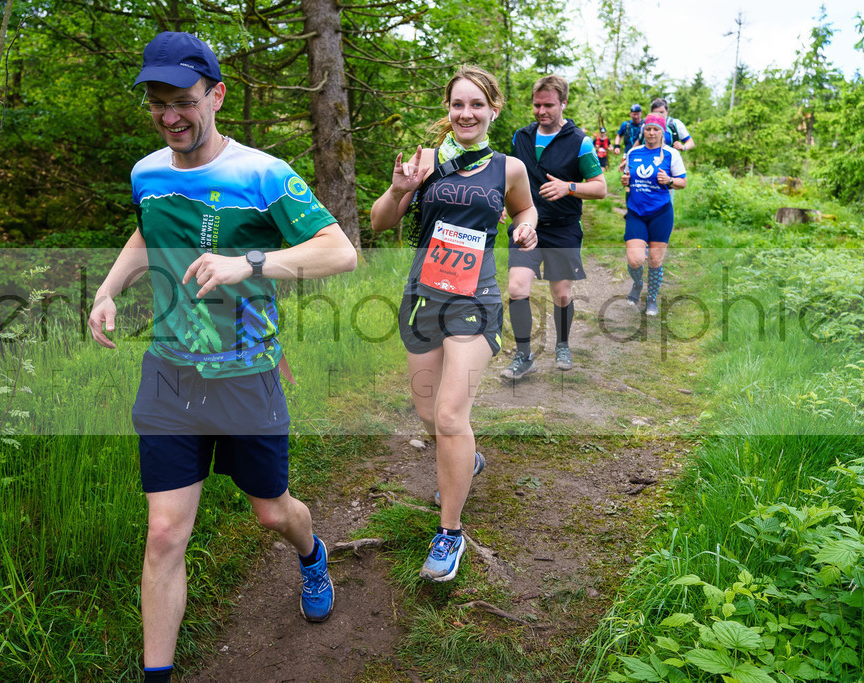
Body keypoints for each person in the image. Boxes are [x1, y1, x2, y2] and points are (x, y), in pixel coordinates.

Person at [87, 32, 357, 683]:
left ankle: (312, 551)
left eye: (182, 100)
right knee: (163, 533)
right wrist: (107, 289)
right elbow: (149, 229)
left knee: (272, 511)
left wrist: (250, 262)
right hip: (171, 372)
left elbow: (339, 250)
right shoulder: (147, 172)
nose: (170, 116)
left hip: (247, 373)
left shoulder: (263, 174)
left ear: (217, 94)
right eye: (157, 103)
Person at [370, 65, 537, 582]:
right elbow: (379, 222)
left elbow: (524, 211)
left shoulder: (508, 167)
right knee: (428, 414)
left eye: (476, 105)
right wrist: (399, 190)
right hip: (423, 296)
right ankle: (468, 460)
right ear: (448, 110)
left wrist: (526, 229)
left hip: (477, 299)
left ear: (493, 110)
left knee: (447, 416)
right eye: (457, 104)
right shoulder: (425, 162)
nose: (466, 114)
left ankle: (449, 535)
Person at [501, 75, 607, 379]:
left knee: (561, 294)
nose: (541, 111)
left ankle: (562, 344)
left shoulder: (580, 142)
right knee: (517, 288)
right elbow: (509, 178)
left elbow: (600, 188)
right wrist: (497, 201)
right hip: (526, 225)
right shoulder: (520, 137)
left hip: (563, 228)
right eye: (536, 105)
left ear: (563, 103)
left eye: (548, 105)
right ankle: (524, 355)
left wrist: (568, 187)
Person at [620, 113, 687, 317]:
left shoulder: (671, 154)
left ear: (662, 132)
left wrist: (669, 180)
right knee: (635, 260)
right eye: (648, 128)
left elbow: (682, 182)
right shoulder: (634, 152)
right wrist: (625, 180)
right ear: (644, 130)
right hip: (636, 212)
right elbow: (628, 176)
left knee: (655, 261)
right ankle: (638, 283)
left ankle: (651, 299)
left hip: (661, 213)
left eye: (655, 129)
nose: (651, 132)